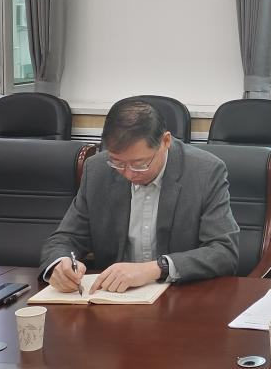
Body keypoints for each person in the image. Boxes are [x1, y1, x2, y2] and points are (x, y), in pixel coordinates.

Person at [39, 98, 239, 292]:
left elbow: (224, 252)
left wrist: (156, 268)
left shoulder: (205, 172)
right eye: (118, 163)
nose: (128, 174)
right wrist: (60, 263)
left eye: (139, 164)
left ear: (165, 141)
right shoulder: (97, 170)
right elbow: (65, 238)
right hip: (112, 298)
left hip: (181, 296)